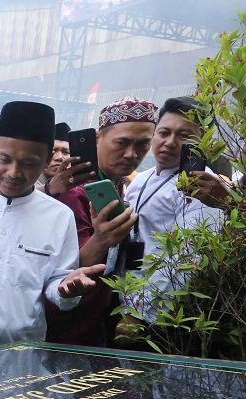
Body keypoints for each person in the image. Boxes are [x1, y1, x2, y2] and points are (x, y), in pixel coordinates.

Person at [0, 101, 105, 352]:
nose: (14, 172)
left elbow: (56, 283)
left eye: (28, 163)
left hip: (21, 355)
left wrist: (66, 290)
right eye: (5, 159)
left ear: (47, 159)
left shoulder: (59, 217)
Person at [45, 96, 152, 346]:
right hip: (62, 323)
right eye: (121, 142)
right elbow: (62, 271)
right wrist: (101, 240)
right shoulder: (73, 192)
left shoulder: (118, 185)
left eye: (143, 145)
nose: (131, 154)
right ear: (97, 138)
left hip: (96, 318)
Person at [119, 97, 224, 326]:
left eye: (184, 136)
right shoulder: (140, 180)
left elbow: (186, 259)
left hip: (162, 315)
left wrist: (140, 313)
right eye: (164, 132)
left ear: (202, 142)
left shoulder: (203, 187)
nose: (170, 142)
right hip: (125, 302)